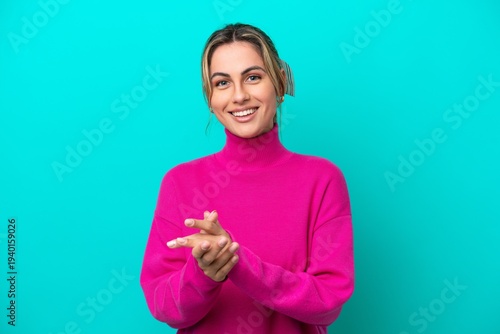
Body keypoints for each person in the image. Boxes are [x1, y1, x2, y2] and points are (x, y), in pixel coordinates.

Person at [140, 23, 354, 334]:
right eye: (222, 83)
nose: (239, 96)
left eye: (253, 77)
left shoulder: (322, 180)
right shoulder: (179, 183)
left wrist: (236, 262)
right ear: (210, 100)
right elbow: (165, 306)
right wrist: (206, 273)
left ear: (279, 84)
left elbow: (329, 301)